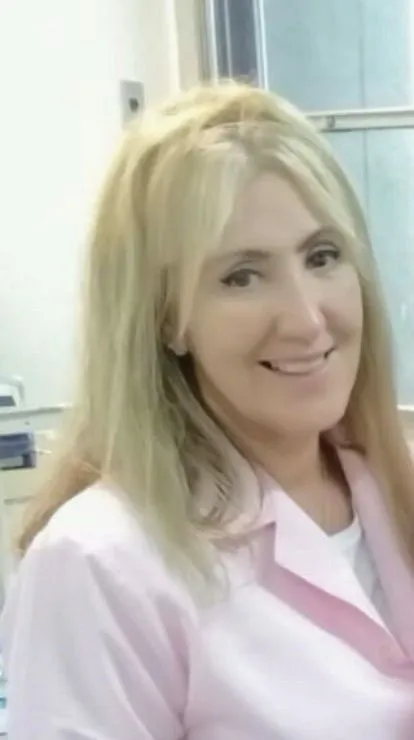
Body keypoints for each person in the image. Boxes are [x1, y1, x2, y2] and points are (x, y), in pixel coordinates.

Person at [2, 81, 414, 740]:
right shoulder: (102, 563)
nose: (307, 320)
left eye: (322, 257)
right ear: (165, 318)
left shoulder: (394, 489)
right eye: (241, 276)